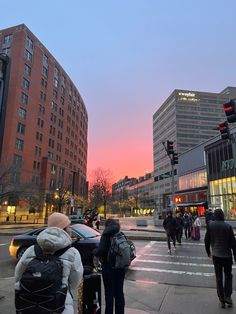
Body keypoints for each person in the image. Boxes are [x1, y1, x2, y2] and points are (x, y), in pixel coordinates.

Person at [15, 212, 83, 313]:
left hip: (31, 306)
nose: (71, 229)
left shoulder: (31, 250)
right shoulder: (72, 253)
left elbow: (18, 275)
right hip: (59, 306)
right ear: (62, 228)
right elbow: (74, 283)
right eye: (69, 226)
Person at [204, 208, 236, 308]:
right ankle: (228, 296)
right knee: (228, 276)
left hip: (216, 256)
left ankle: (221, 299)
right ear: (222, 216)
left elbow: (206, 240)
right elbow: (233, 244)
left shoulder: (210, 226)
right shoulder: (228, 226)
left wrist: (208, 252)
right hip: (227, 256)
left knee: (218, 278)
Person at [94, 218, 125, 314]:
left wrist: (94, 251)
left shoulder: (105, 235)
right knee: (119, 292)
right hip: (120, 267)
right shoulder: (121, 234)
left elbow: (101, 251)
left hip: (108, 268)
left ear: (107, 225)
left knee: (109, 294)